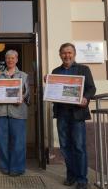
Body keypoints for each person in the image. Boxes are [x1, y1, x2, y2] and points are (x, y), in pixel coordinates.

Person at [51, 43, 96, 189]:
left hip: (77, 114)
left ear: (74, 53)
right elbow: (53, 90)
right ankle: (71, 175)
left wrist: (86, 98)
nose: (67, 56)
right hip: (62, 113)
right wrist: (49, 83)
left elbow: (91, 88)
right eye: (64, 53)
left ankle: (82, 179)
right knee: (64, 147)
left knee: (79, 147)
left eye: (69, 53)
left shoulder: (84, 69)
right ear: (60, 55)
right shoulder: (55, 71)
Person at [0, 50, 30, 177]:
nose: (10, 60)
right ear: (5, 60)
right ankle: (4, 166)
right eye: (8, 58)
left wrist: (22, 98)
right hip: (1, 112)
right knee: (3, 141)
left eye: (12, 58)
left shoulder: (24, 76)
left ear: (17, 59)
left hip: (18, 113)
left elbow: (28, 94)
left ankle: (17, 168)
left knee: (18, 141)